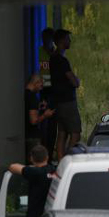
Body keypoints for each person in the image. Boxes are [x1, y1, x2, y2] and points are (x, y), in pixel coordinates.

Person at [49, 29, 82, 161]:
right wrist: (77, 81)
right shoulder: (62, 61)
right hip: (68, 102)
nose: (70, 41)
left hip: (58, 102)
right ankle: (69, 159)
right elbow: (74, 81)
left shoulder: (52, 58)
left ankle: (60, 161)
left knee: (62, 133)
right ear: (61, 41)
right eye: (68, 39)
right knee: (75, 133)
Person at [7, 144, 55, 217]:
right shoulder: (54, 170)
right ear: (47, 157)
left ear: (31, 159)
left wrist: (29, 168)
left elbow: (12, 167)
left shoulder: (34, 172)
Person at [24, 73, 55, 160]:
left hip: (24, 134)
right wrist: (45, 115)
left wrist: (38, 107)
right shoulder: (33, 98)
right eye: (41, 85)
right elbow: (33, 121)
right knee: (37, 162)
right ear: (36, 83)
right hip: (32, 136)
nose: (41, 88)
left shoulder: (23, 94)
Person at [38, 28, 57, 156]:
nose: (47, 42)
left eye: (50, 39)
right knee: (43, 123)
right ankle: (43, 150)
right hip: (42, 91)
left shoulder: (56, 54)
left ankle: (50, 151)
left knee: (52, 124)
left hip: (53, 91)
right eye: (45, 39)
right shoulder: (38, 52)